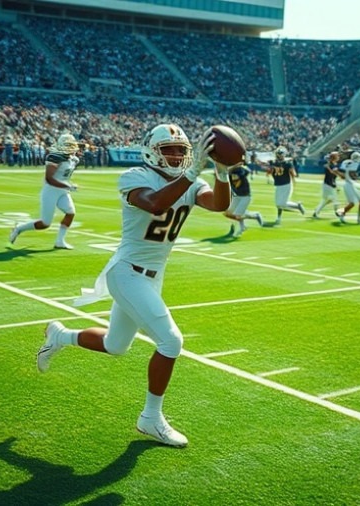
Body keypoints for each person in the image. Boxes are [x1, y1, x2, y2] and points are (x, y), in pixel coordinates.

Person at [37, 123, 235, 448]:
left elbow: (219, 205)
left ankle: (59, 335)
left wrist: (222, 172)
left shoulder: (190, 180)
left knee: (116, 345)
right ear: (151, 150)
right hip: (127, 273)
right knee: (171, 342)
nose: (175, 156)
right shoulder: (134, 176)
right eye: (168, 149)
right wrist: (193, 172)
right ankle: (150, 418)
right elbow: (155, 203)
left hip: (153, 276)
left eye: (181, 151)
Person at [9, 133, 82, 249]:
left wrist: (68, 185)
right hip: (51, 191)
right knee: (45, 223)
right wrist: (68, 186)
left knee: (70, 213)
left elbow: (64, 176)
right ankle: (19, 228)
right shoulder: (55, 157)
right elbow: (49, 179)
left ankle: (60, 241)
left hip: (62, 191)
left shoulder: (74, 159)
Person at [265, 146, 305, 224]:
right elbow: (268, 172)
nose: (279, 155)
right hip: (278, 185)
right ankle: (279, 217)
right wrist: (270, 169)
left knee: (282, 203)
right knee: (278, 204)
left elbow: (294, 174)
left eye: (281, 154)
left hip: (286, 184)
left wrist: (292, 173)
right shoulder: (274, 163)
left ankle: (297, 206)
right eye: (278, 154)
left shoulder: (287, 164)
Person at [225, 162, 264, 237]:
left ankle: (242, 227)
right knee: (228, 213)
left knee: (237, 215)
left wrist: (237, 165)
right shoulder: (228, 174)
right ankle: (239, 226)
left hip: (245, 196)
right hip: (236, 196)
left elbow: (248, 171)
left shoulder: (241, 171)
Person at [337, 151, 360, 224]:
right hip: (350, 184)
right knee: (354, 203)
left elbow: (341, 172)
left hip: (349, 184)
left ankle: (358, 218)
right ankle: (342, 213)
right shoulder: (355, 163)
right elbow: (352, 174)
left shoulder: (346, 162)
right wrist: (355, 176)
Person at [313, 151, 343, 218]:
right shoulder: (330, 165)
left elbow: (334, 176)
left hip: (328, 184)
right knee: (335, 200)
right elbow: (333, 174)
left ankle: (316, 211)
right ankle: (338, 213)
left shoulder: (332, 165)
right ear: (334, 157)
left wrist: (336, 186)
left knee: (325, 200)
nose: (338, 157)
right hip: (329, 184)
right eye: (337, 156)